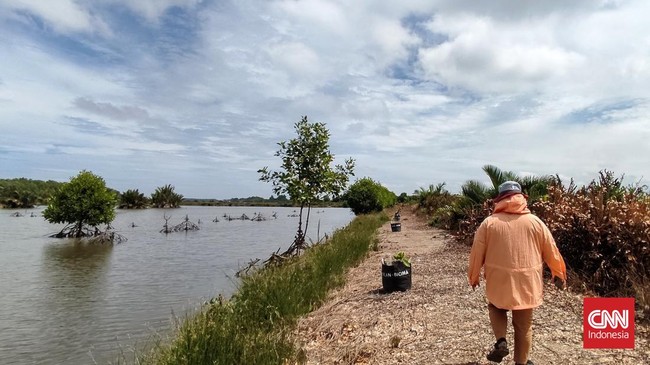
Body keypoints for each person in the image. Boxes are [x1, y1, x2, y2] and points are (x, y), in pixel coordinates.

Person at [468, 181, 567, 365]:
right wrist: (558, 273)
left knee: (496, 307)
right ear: (522, 197)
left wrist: (473, 276)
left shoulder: (489, 223)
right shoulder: (535, 222)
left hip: (499, 279)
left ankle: (501, 341)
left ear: (500, 199)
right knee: (523, 326)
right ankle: (521, 363)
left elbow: (477, 252)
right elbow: (550, 248)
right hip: (527, 281)